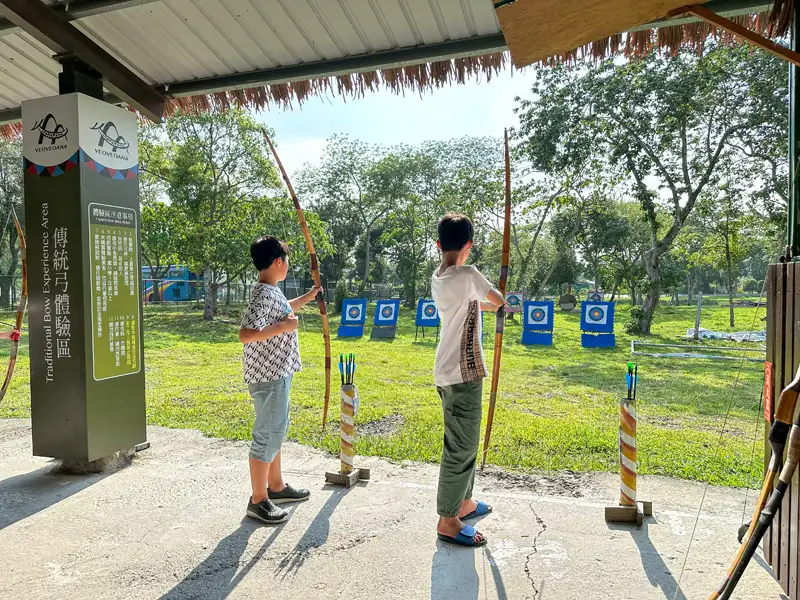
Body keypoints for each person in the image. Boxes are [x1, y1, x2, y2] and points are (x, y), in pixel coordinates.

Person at [431, 213, 505, 547]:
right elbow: (498, 301)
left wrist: (491, 304)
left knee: (465, 441)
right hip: (462, 373)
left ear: (439, 245)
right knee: (460, 447)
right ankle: (448, 519)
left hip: (448, 371)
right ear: (469, 245)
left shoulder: (441, 276)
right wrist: (504, 303)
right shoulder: (469, 273)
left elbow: (476, 304)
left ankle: (463, 503)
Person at [239, 235, 321, 524]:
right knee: (267, 433)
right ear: (278, 262)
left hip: (277, 373)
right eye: (287, 261)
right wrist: (283, 327)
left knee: (276, 429)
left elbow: (285, 309)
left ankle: (276, 487)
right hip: (269, 376)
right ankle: (258, 499)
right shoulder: (263, 294)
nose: (288, 266)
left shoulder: (270, 291)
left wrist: (309, 298)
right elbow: (247, 333)